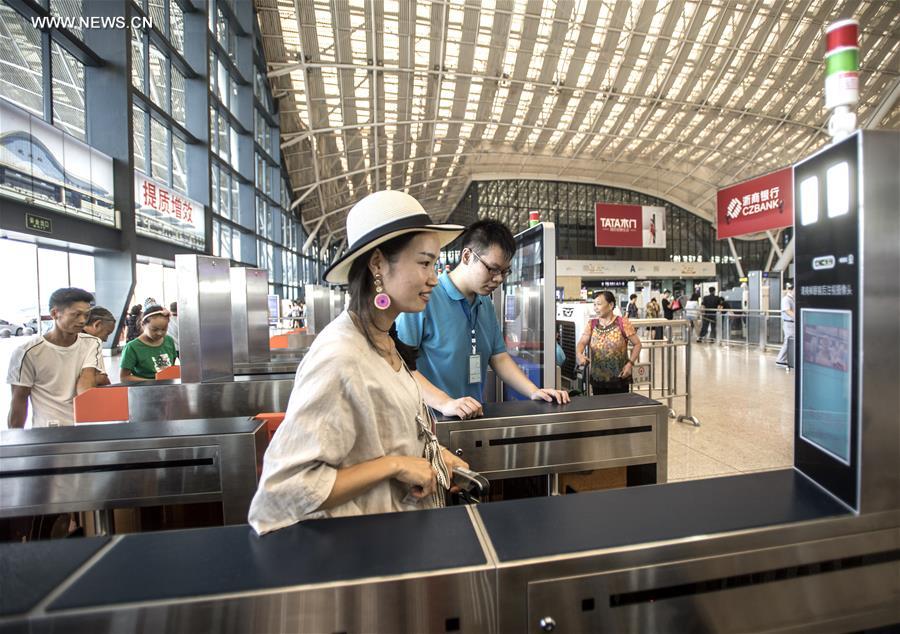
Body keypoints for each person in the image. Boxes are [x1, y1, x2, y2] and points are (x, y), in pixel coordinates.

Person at [248, 191, 469, 534]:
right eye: (425, 263)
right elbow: (285, 488)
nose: (434, 278)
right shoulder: (340, 356)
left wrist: (432, 455)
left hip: (398, 536)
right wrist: (394, 465)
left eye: (435, 265)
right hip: (362, 545)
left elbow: (378, 437)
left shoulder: (382, 338)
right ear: (377, 264)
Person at [396, 219, 569, 416]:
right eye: (493, 269)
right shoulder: (424, 299)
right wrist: (445, 403)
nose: (499, 278)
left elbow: (499, 357)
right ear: (467, 256)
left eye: (504, 271)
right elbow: (400, 365)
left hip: (472, 417)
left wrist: (534, 391)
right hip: (431, 421)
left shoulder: (484, 302)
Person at [6, 288, 106, 428]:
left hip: (84, 427)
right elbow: (19, 401)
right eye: (76, 315)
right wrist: (15, 437)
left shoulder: (92, 343)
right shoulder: (26, 353)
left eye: (86, 315)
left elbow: (87, 381)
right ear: (54, 313)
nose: (82, 320)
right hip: (48, 430)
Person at [575, 291, 642, 395]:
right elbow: (582, 342)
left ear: (611, 305)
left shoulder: (622, 323)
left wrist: (630, 364)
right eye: (594, 305)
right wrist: (579, 354)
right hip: (598, 380)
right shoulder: (592, 324)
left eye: (599, 304)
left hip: (619, 378)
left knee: (619, 405)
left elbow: (637, 344)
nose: (595, 308)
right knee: (600, 405)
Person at [119, 303, 178, 382]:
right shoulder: (132, 347)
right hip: (145, 388)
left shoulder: (169, 340)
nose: (160, 333)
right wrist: (152, 382)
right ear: (143, 324)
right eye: (154, 329)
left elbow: (171, 367)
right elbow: (124, 377)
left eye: (164, 329)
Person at [775, 284, 795, 368]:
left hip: (793, 323)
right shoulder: (786, 299)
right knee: (788, 341)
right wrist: (797, 317)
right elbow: (787, 311)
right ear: (790, 290)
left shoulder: (793, 299)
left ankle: (786, 359)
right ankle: (780, 360)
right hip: (789, 323)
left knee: (790, 341)